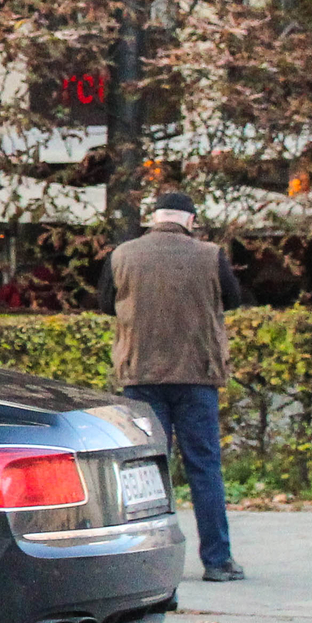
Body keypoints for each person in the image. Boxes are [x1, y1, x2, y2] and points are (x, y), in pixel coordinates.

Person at [95, 190, 251, 582]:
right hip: (197, 376)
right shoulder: (211, 255)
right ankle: (218, 561)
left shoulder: (123, 254)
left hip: (141, 376)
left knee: (147, 473)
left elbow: (103, 303)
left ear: (154, 218)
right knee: (205, 468)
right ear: (191, 221)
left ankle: (150, 567)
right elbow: (233, 299)